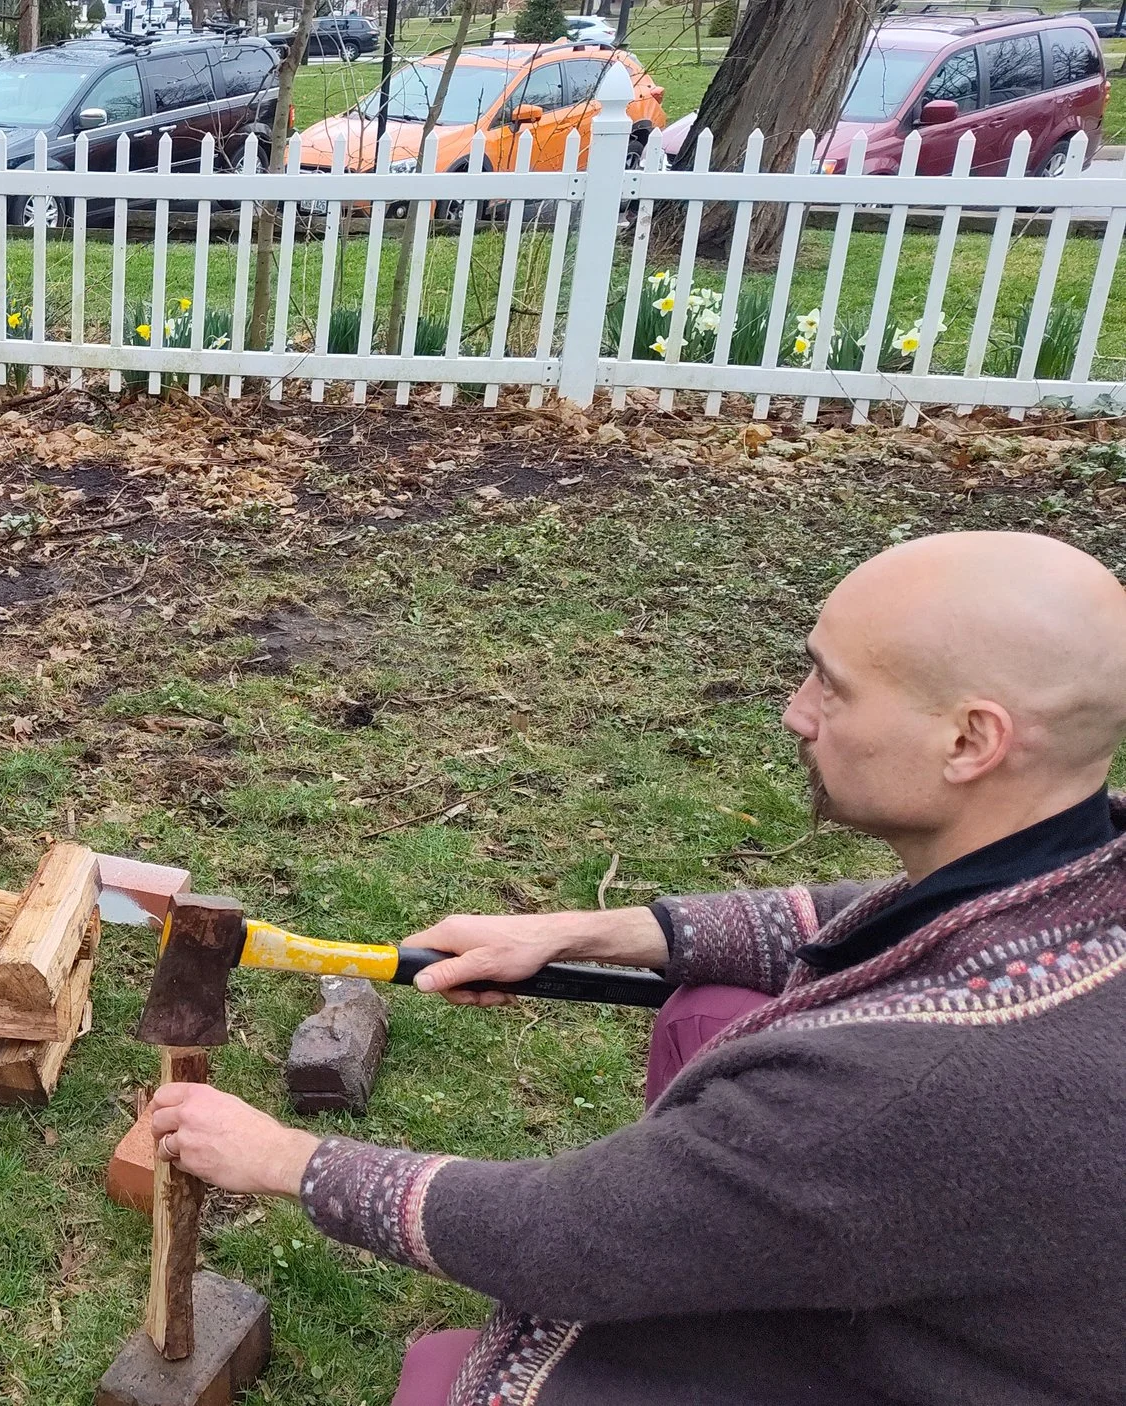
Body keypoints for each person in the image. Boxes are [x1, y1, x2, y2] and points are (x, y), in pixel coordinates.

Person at [149, 531, 1126, 1405]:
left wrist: (283, 1156)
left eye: (831, 685)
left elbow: (567, 1241)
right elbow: (855, 922)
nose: (795, 712)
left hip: (938, 1367)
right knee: (713, 1001)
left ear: (969, 739)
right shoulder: (1082, 873)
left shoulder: (896, 1089)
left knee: (448, 1383)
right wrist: (574, 932)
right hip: (984, 1286)